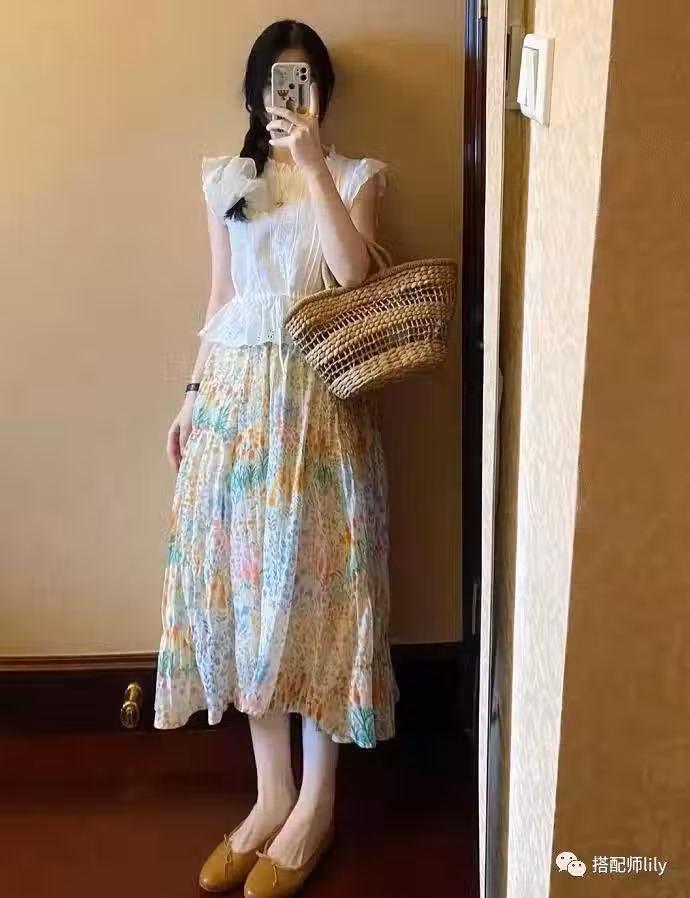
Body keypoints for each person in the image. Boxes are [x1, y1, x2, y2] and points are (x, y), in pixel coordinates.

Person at [154, 19, 397, 898]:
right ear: (255, 92)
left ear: (322, 92)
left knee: (319, 592)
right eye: (275, 82)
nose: (287, 97)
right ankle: (271, 797)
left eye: (303, 82)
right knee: (248, 588)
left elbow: (348, 277)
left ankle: (317, 806)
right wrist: (189, 395)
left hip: (318, 406)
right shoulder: (230, 180)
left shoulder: (359, 177)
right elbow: (221, 294)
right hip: (234, 408)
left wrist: (317, 163)